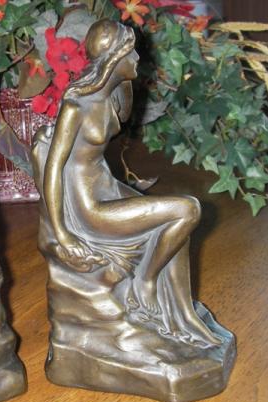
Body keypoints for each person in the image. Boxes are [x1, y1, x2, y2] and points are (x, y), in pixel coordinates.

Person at [33, 19, 220, 347]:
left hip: (108, 186)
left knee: (175, 231)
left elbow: (125, 112)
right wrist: (63, 233)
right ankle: (145, 281)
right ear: (114, 58)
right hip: (90, 206)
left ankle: (181, 317)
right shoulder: (76, 106)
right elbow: (53, 168)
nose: (137, 59)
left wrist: (122, 78)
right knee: (188, 210)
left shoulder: (110, 95)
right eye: (130, 53)